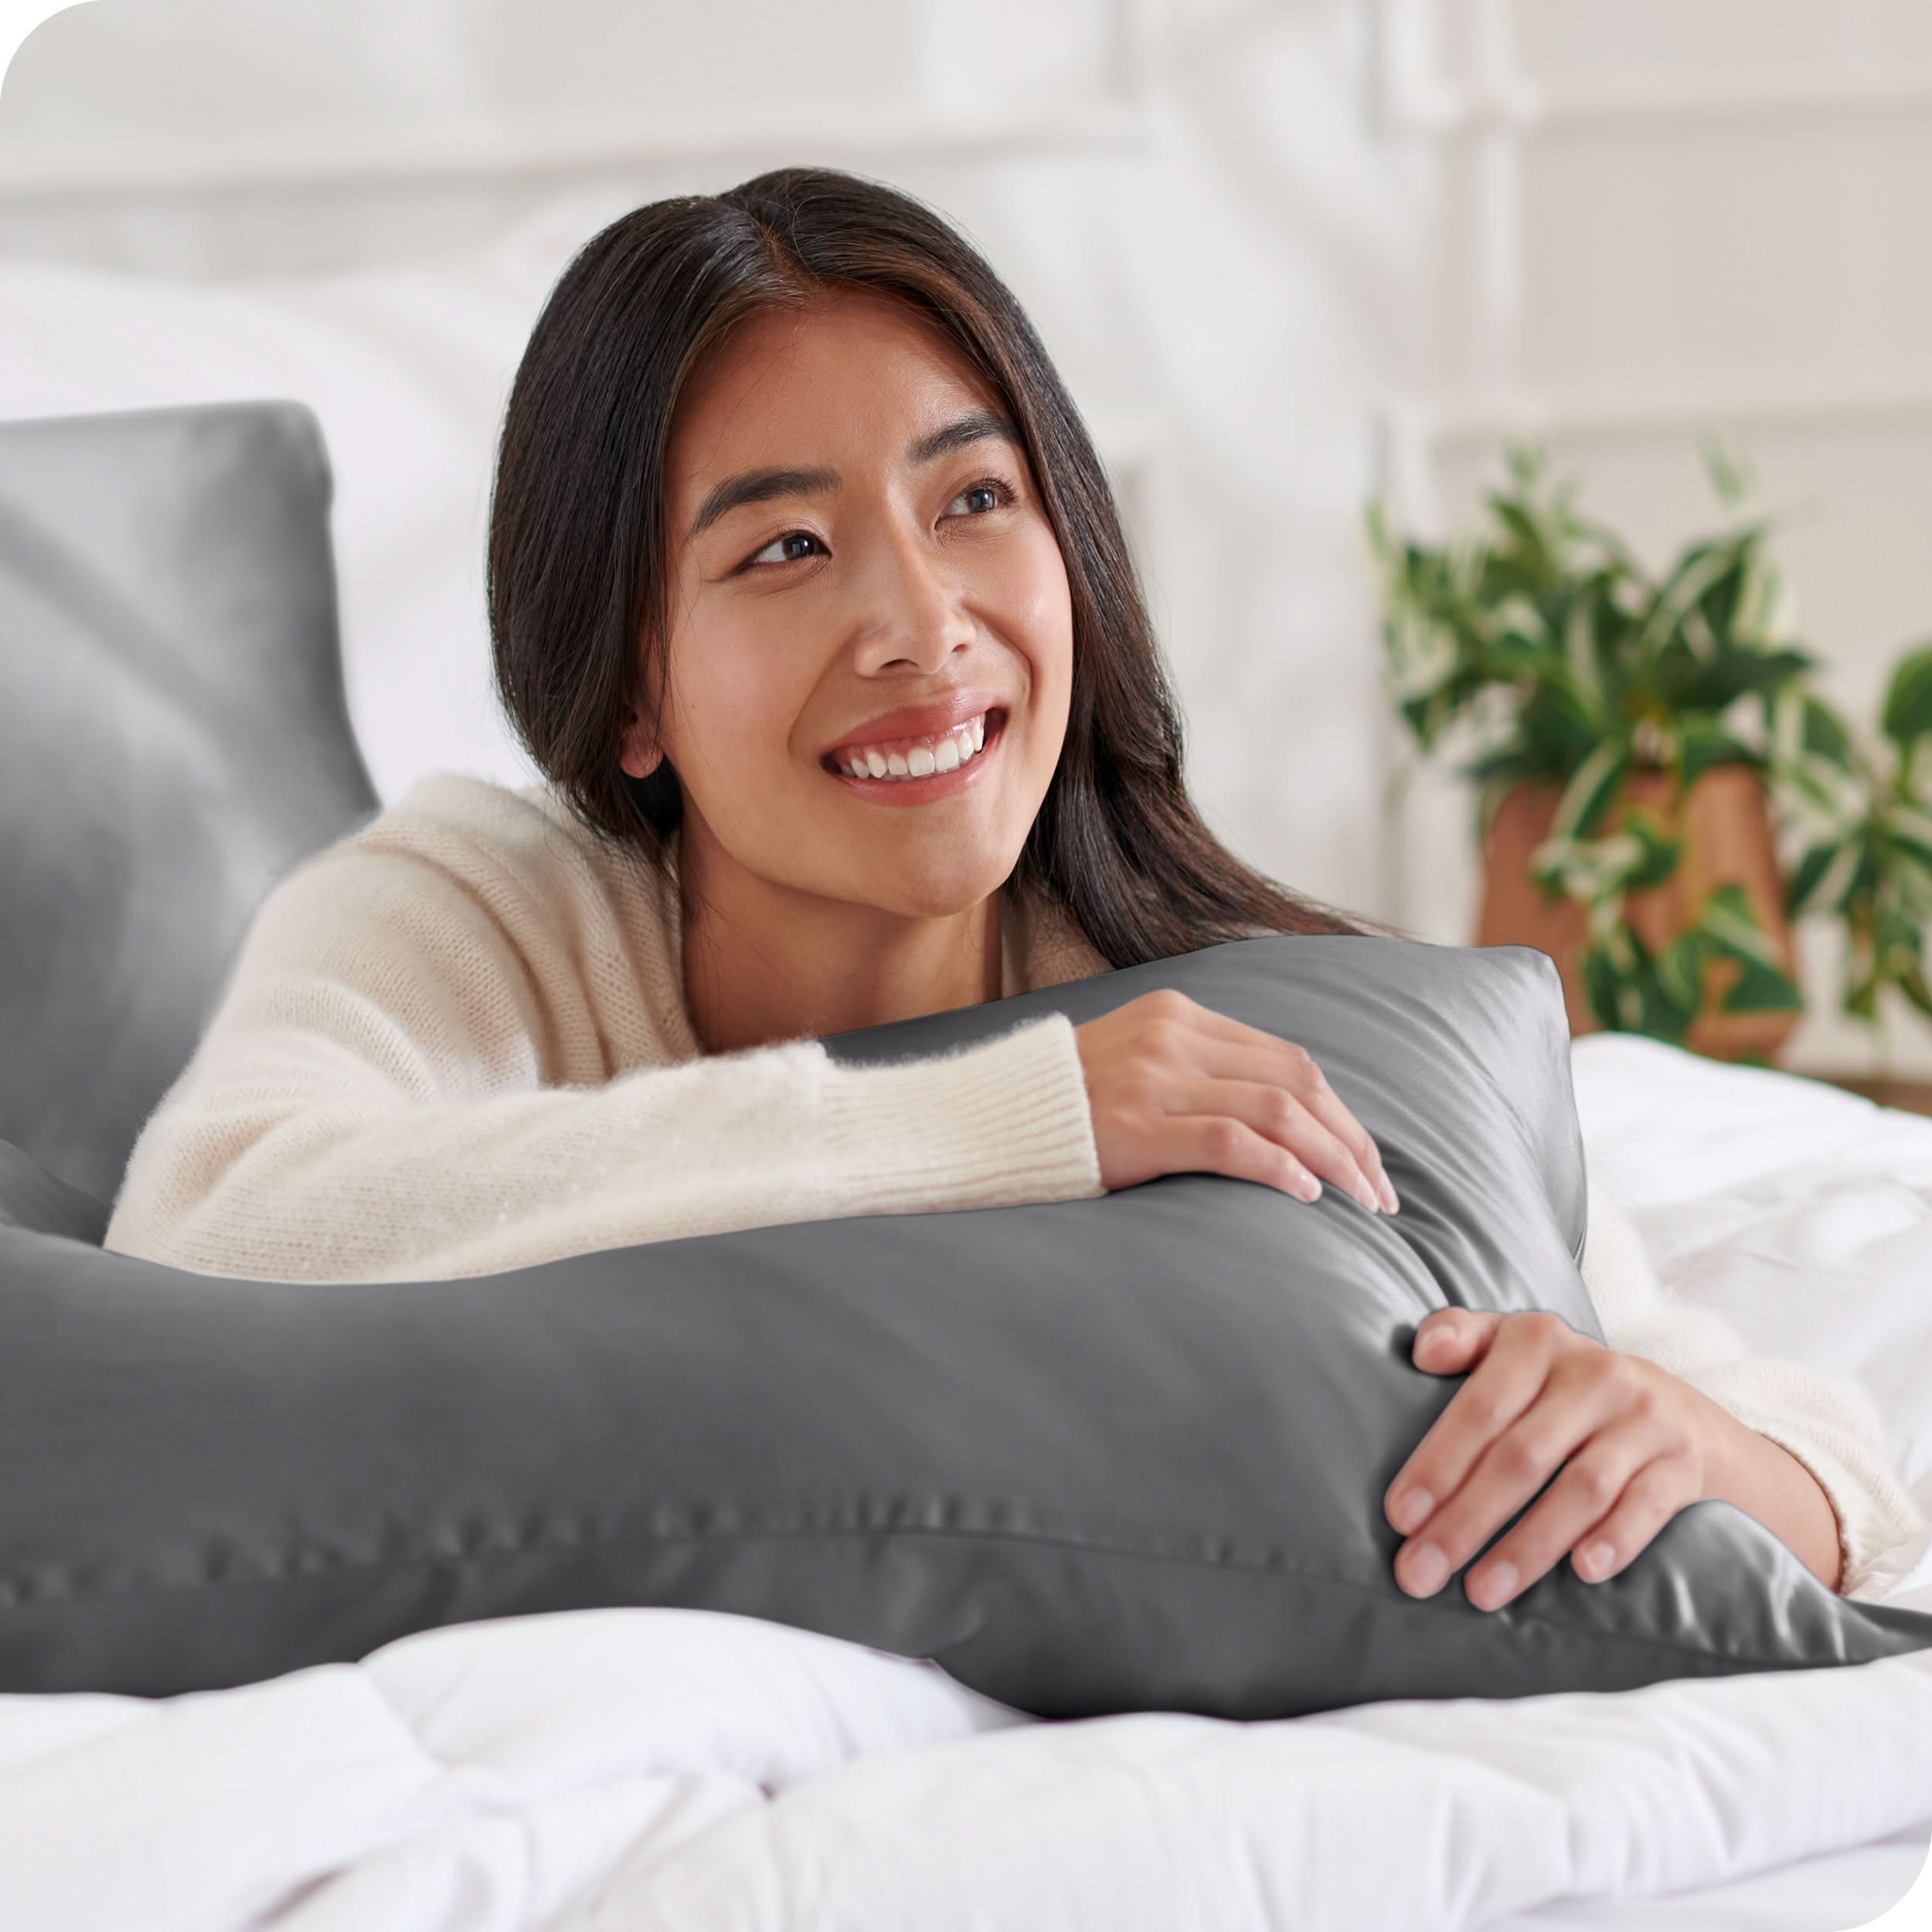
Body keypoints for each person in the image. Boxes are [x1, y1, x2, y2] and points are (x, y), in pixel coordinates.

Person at [103, 166, 1923, 1616]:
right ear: (631, 686)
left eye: (973, 499)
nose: (919, 624)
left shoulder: (1256, 1011)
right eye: (786, 546)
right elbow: (217, 1224)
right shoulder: (482, 903)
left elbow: (1820, 1457)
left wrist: (1683, 1442)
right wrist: (1008, 1123)